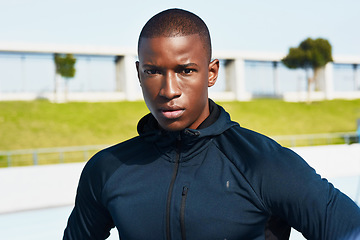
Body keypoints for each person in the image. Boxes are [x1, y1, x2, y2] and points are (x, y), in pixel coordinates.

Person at [63, 8, 360, 240]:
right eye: (153, 71)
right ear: (139, 74)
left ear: (211, 72)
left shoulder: (263, 164)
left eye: (186, 70)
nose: (168, 90)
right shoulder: (107, 169)